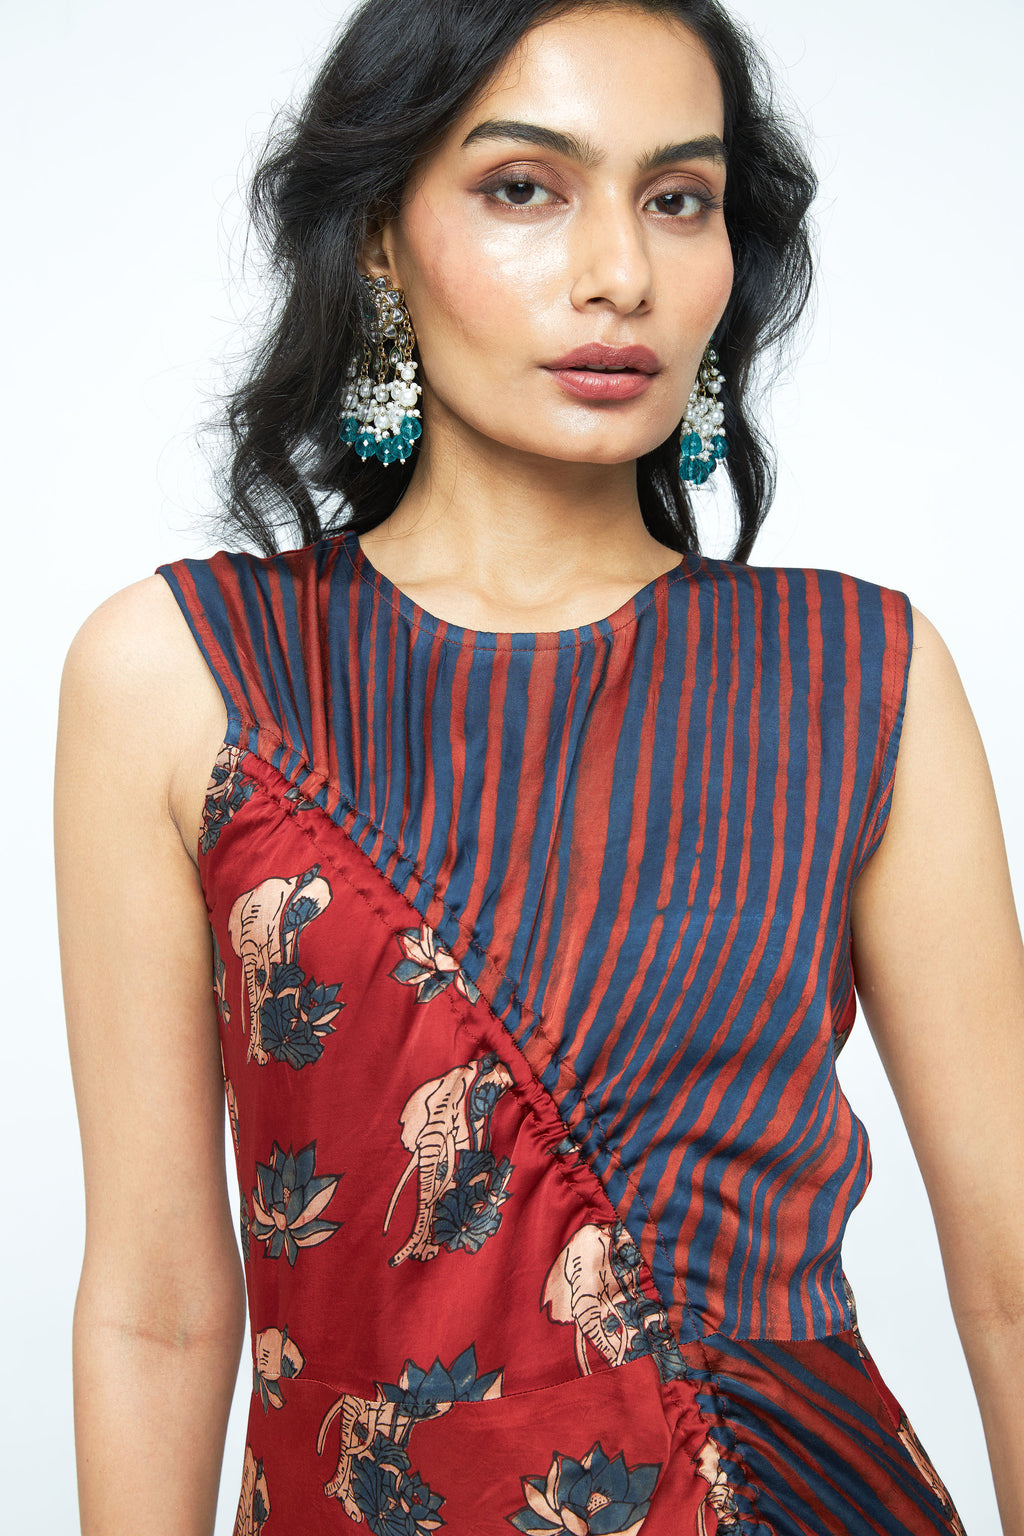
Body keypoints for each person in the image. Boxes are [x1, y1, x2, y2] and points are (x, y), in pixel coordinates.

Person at [53, 1, 1024, 1533]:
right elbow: (158, 1310)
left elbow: (1013, 1275)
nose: (620, 271)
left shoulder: (861, 674)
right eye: (524, 188)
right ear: (382, 239)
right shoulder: (181, 673)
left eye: (679, 198)